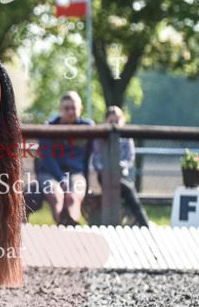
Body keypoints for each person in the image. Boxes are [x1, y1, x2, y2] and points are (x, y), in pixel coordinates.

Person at [34, 91, 95, 226]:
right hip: (49, 173)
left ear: (80, 109)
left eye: (73, 108)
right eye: (67, 108)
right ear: (60, 109)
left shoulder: (88, 128)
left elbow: (89, 156)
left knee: (74, 197)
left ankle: (71, 229)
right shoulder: (48, 127)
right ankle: (63, 229)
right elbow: (47, 157)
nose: (70, 112)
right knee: (57, 196)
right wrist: (61, 178)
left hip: (76, 173)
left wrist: (87, 181)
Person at [91, 106, 149, 226]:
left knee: (126, 187)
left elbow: (129, 158)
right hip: (104, 177)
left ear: (122, 121)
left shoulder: (127, 137)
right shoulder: (98, 139)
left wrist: (118, 167)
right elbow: (96, 161)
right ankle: (143, 223)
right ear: (105, 121)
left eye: (116, 121)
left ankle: (136, 221)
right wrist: (108, 170)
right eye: (111, 121)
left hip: (122, 176)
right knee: (128, 189)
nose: (114, 124)